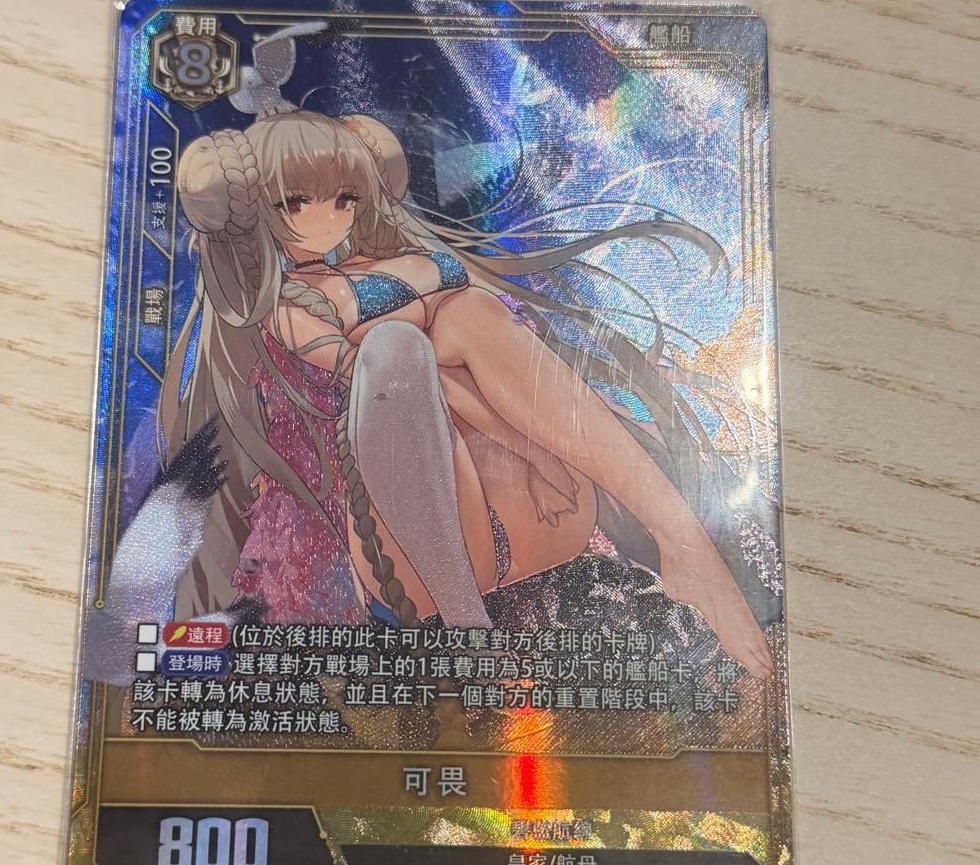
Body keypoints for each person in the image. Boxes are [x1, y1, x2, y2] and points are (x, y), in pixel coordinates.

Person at [158, 110, 775, 678]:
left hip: (527, 505)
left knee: (471, 313)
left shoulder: (378, 262)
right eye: (297, 202)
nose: (329, 217)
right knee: (397, 348)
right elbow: (401, 391)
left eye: (345, 197)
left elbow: (466, 356)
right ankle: (467, 632)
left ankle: (684, 542)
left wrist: (532, 449)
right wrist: (527, 445)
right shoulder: (285, 309)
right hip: (414, 555)